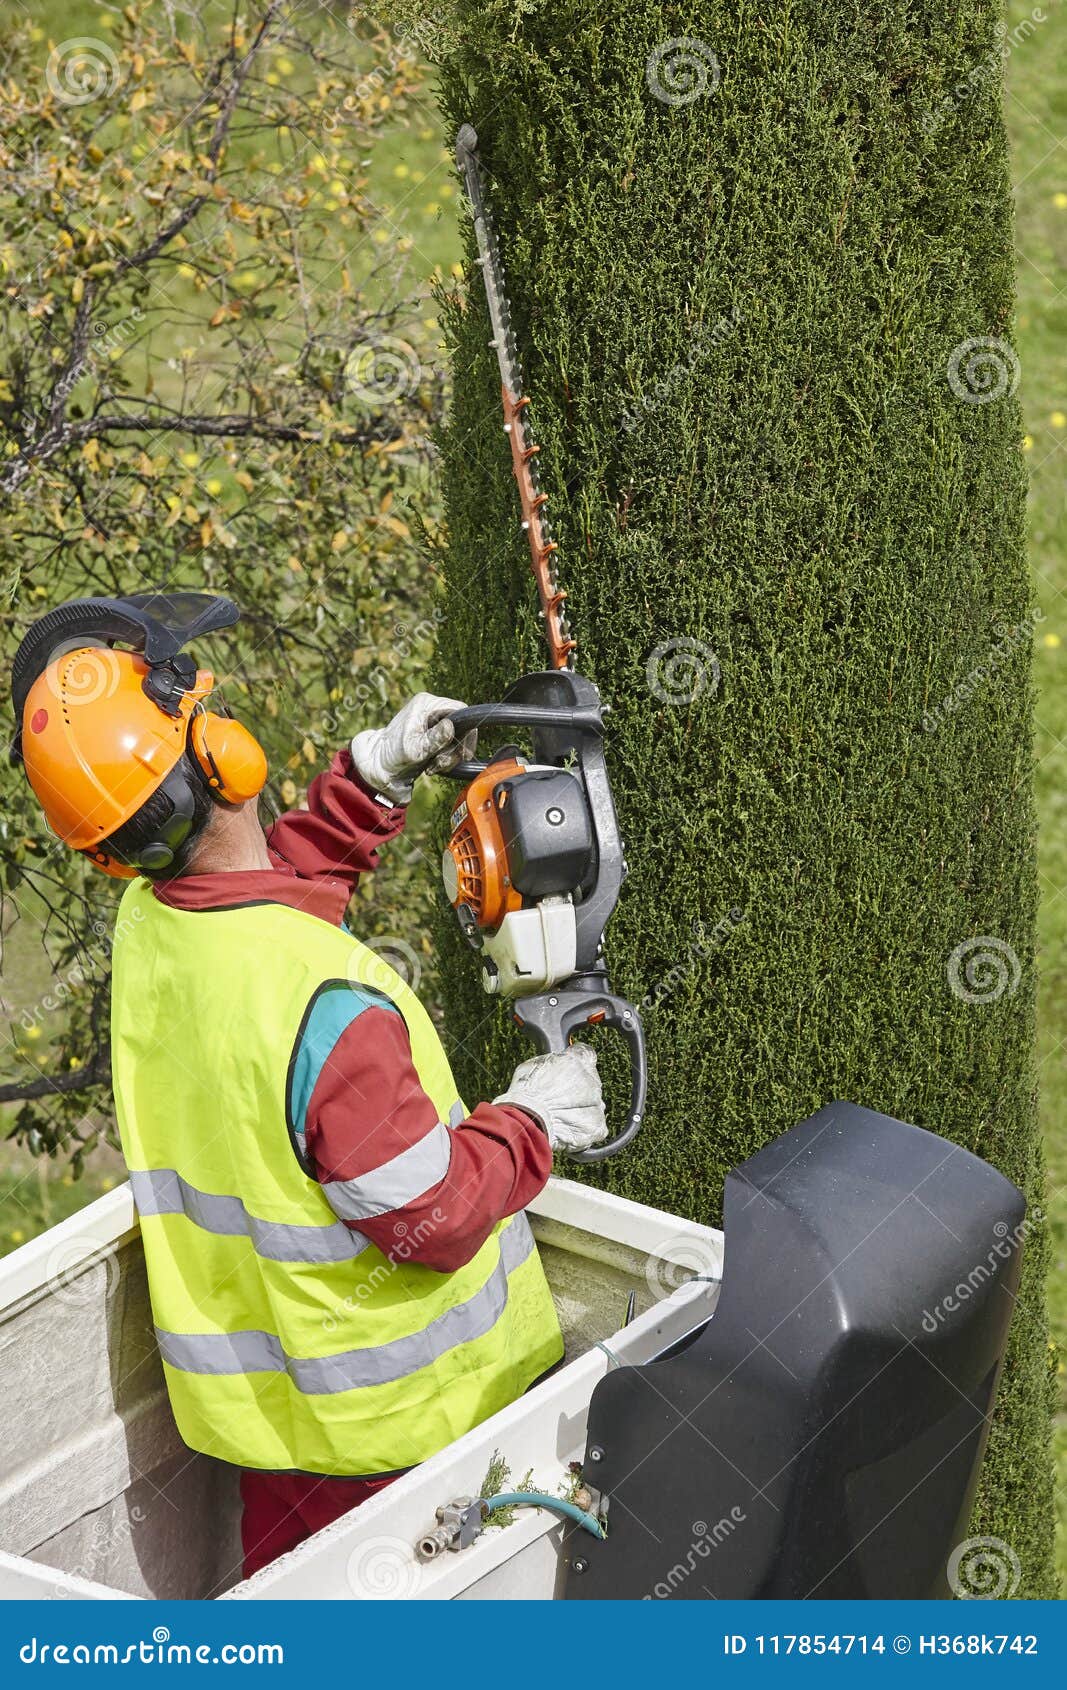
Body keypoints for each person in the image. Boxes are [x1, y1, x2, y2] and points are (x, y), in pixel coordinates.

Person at [10, 593, 607, 1579]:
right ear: (223, 756)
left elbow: (258, 904)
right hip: (411, 1448)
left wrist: (366, 784)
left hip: (276, 1436)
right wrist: (530, 1119)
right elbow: (435, 1211)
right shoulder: (331, 1017)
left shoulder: (155, 930)